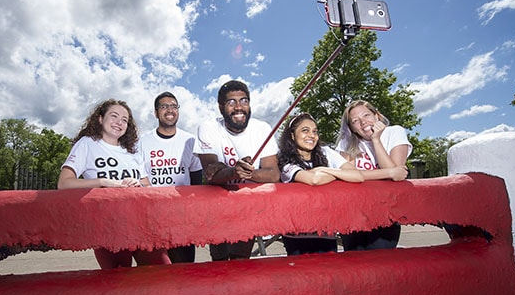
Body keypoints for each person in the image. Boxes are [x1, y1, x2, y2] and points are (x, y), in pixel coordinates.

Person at [58, 99, 170, 268]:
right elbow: (63, 183)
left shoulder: (133, 150)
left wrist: (138, 185)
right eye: (114, 116)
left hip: (142, 225)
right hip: (107, 226)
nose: (119, 122)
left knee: (161, 273)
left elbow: (148, 189)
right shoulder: (88, 144)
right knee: (119, 284)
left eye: (125, 120)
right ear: (100, 119)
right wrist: (102, 182)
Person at [194, 80, 280, 261]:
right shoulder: (208, 127)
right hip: (217, 209)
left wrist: (249, 173)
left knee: (240, 260)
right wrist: (234, 171)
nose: (239, 107)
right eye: (231, 102)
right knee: (220, 260)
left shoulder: (262, 128)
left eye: (244, 101)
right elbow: (211, 174)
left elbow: (273, 174)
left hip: (248, 208)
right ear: (220, 107)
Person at [277, 112, 364, 255]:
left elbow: (357, 175)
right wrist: (339, 175)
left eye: (315, 131)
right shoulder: (285, 161)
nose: (312, 135)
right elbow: (314, 180)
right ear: (292, 135)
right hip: (297, 234)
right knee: (301, 275)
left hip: (326, 231)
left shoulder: (326, 152)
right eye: (305, 130)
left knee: (328, 274)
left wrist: (324, 169)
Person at [335, 99, 411, 251]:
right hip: (353, 211)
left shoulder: (394, 132)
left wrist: (376, 139)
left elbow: (395, 176)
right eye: (355, 121)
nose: (363, 122)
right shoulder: (347, 142)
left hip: (385, 211)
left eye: (366, 115)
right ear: (352, 128)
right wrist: (389, 172)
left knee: (381, 261)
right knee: (354, 264)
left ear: (377, 116)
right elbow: (345, 174)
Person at [139, 91, 203, 263]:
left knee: (184, 268)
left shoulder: (190, 141)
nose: (170, 110)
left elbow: (197, 180)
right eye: (164, 106)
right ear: (156, 112)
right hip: (152, 216)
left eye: (174, 106)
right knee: (154, 271)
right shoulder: (142, 142)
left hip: (181, 217)